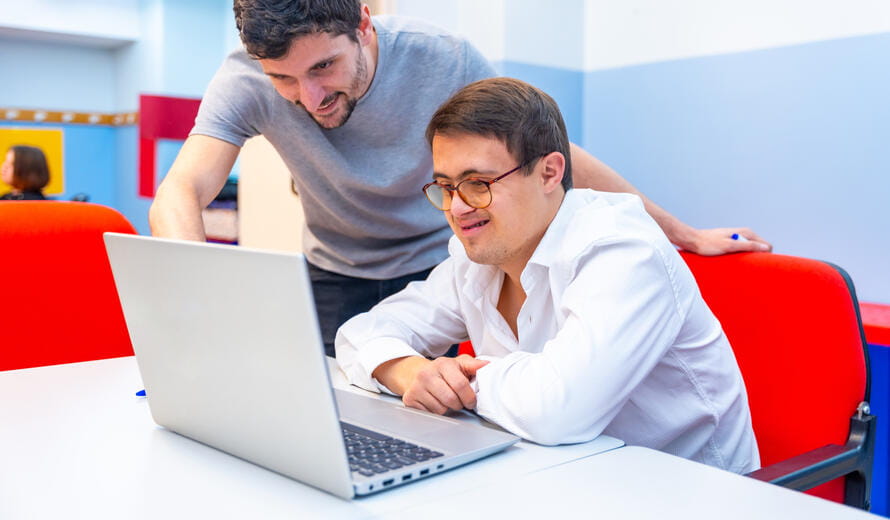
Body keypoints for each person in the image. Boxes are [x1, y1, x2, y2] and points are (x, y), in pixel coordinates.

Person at [149, 0, 772, 357]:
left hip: (438, 267)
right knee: (340, 419)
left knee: (439, 422)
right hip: (334, 271)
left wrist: (683, 232)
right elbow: (181, 191)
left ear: (364, 22)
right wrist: (201, 298)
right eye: (283, 79)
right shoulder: (246, 79)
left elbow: (553, 155)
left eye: (325, 67)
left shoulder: (441, 57)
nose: (308, 97)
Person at [336, 77, 760, 473]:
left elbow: (557, 411)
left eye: (478, 182)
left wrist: (457, 381)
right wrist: (408, 370)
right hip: (555, 476)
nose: (457, 208)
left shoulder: (622, 251)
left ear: (549, 173)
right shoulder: (476, 258)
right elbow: (360, 333)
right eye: (445, 187)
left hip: (683, 494)